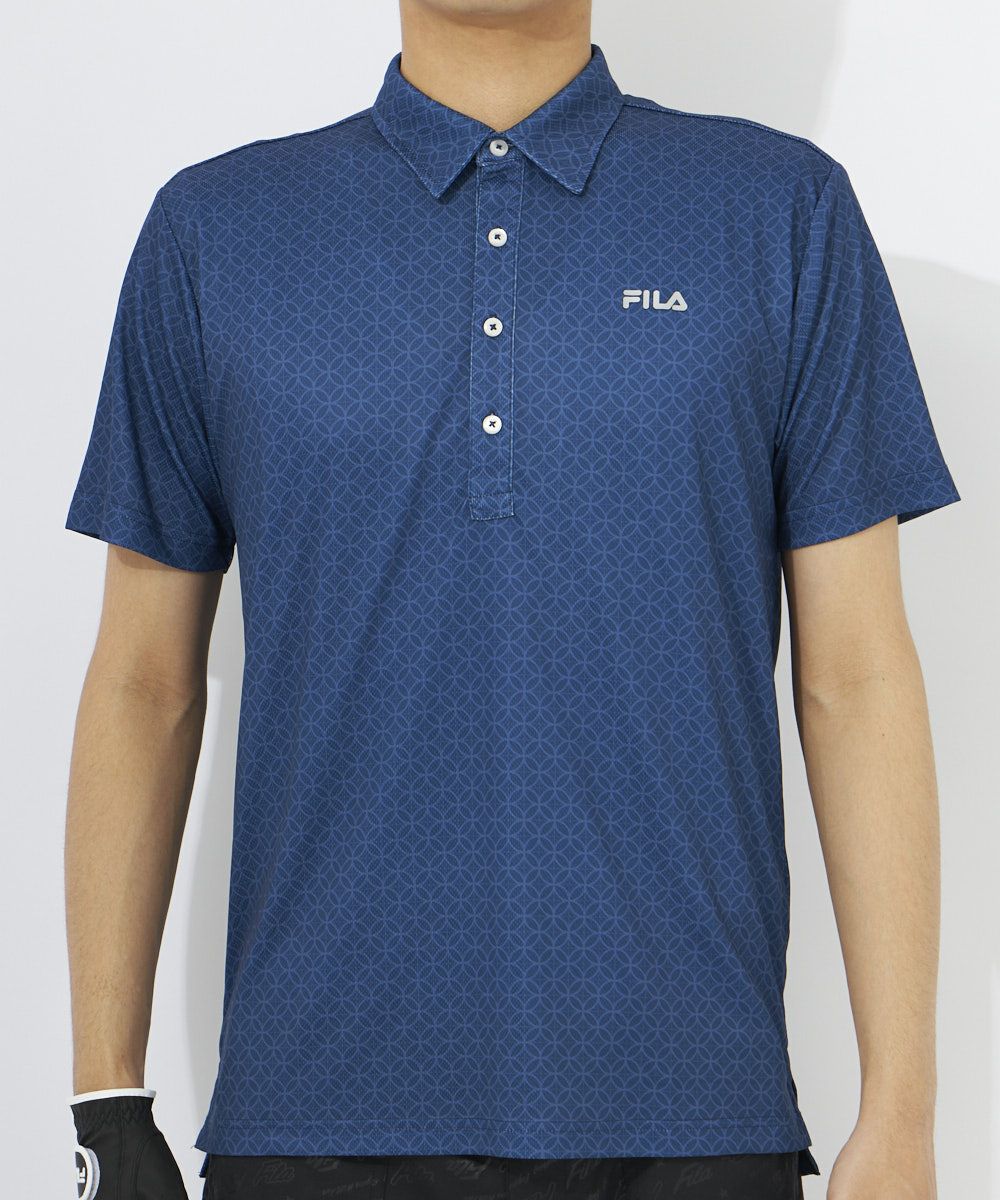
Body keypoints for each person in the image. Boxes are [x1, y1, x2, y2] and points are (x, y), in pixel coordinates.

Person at [63, 1, 960, 1198]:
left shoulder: (780, 212)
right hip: (313, 1109)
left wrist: (900, 1113)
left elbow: (856, 675)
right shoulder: (217, 231)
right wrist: (107, 1095)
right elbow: (143, 680)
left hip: (691, 1111)